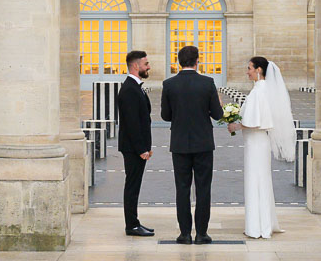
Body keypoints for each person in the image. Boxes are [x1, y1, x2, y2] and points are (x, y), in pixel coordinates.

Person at [161, 45, 224, 245]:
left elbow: (165, 115)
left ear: (178, 61)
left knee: (182, 189)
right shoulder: (207, 83)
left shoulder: (169, 84)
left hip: (179, 143)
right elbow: (217, 114)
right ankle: (202, 233)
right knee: (203, 188)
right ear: (198, 61)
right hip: (203, 142)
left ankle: (185, 233)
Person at [228, 57, 296, 239]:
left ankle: (257, 227)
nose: (247, 71)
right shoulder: (262, 89)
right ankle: (263, 222)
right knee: (261, 181)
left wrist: (236, 126)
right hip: (257, 143)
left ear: (259, 70)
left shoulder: (260, 91)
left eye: (249, 68)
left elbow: (255, 122)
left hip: (256, 143)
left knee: (255, 181)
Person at [118, 50, 154, 237]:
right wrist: (141, 149)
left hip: (136, 147)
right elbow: (132, 123)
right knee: (132, 186)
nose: (148, 67)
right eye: (146, 64)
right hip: (132, 149)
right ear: (135, 66)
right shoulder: (130, 89)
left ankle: (134, 221)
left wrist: (147, 147)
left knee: (134, 185)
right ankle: (131, 225)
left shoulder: (134, 86)